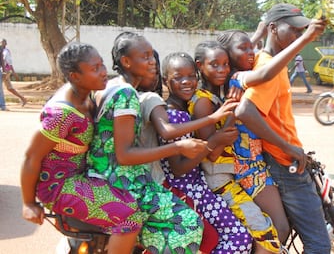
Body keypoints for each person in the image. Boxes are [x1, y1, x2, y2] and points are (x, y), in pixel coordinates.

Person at [20, 41, 147, 254]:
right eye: (95, 69)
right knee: (130, 217)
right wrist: (28, 203)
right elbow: (31, 156)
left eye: (102, 64)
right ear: (75, 76)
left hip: (83, 175)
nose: (104, 72)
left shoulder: (86, 94)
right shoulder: (62, 114)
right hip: (59, 186)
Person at [86, 31, 207, 253]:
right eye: (146, 56)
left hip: (100, 172)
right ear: (126, 61)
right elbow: (124, 154)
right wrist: (178, 146)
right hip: (122, 180)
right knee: (188, 222)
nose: (152, 61)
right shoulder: (126, 94)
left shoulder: (108, 87)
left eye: (152, 55)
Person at [235, 3, 331, 254]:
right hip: (286, 163)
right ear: (274, 28)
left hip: (281, 158)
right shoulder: (269, 66)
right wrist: (288, 147)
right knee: (319, 245)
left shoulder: (265, 60)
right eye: (295, 31)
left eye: (302, 32)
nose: (299, 36)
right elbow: (246, 111)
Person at [189, 41, 281, 253]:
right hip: (218, 180)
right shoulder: (203, 102)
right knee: (265, 231)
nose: (222, 70)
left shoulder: (218, 96)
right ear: (200, 66)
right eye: (215, 65)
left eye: (225, 64)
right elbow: (212, 154)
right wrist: (232, 113)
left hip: (229, 176)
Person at [159, 51, 253, 253]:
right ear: (165, 81)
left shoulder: (186, 110)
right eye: (178, 77)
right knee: (239, 238)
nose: (187, 82)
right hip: (188, 189)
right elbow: (178, 169)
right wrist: (213, 142)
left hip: (197, 185)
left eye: (191, 76)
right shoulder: (175, 116)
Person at [217, 29, 291, 248]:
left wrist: (258, 32)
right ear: (228, 55)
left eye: (253, 48)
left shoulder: (233, 77)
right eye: (244, 49)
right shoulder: (238, 79)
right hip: (248, 168)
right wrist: (302, 42)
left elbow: (242, 48)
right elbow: (265, 73)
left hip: (253, 163)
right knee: (280, 226)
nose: (252, 53)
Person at [1, 38, 27, 106]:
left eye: (3, 42)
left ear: (5, 44)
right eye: (1, 42)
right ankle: (23, 99)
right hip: (4, 71)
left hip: (5, 71)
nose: (2, 44)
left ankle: (2, 104)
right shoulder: (1, 51)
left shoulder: (6, 52)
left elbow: (9, 63)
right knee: (9, 88)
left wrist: (14, 72)